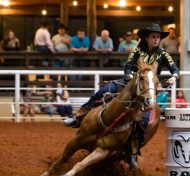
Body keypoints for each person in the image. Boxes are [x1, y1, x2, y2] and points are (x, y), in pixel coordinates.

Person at [63, 23, 180, 168]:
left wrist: (174, 76)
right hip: (129, 84)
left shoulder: (163, 54)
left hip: (145, 90)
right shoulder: (137, 51)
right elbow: (128, 66)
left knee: (142, 122)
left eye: (158, 37)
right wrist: (129, 76)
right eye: (153, 37)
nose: (156, 39)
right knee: (102, 91)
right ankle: (79, 116)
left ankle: (131, 152)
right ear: (147, 38)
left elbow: (174, 68)